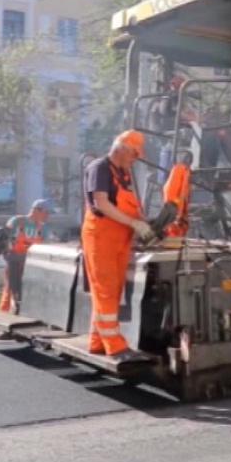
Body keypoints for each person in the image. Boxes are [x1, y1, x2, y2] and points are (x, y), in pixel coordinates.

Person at [81, 129, 155, 359]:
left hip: (119, 237)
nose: (135, 159)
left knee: (113, 290)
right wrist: (134, 223)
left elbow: (129, 206)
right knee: (105, 289)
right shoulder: (100, 168)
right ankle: (115, 346)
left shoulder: (123, 172)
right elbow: (101, 203)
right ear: (121, 150)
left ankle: (97, 341)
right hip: (100, 236)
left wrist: (145, 223)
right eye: (134, 154)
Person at [0, 198, 54, 320]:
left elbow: (45, 246)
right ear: (37, 210)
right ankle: (3, 318)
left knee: (28, 291)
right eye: (46, 212)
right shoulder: (17, 221)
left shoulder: (42, 227)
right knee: (11, 290)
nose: (48, 216)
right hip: (14, 262)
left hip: (32, 265)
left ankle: (24, 316)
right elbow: (3, 239)